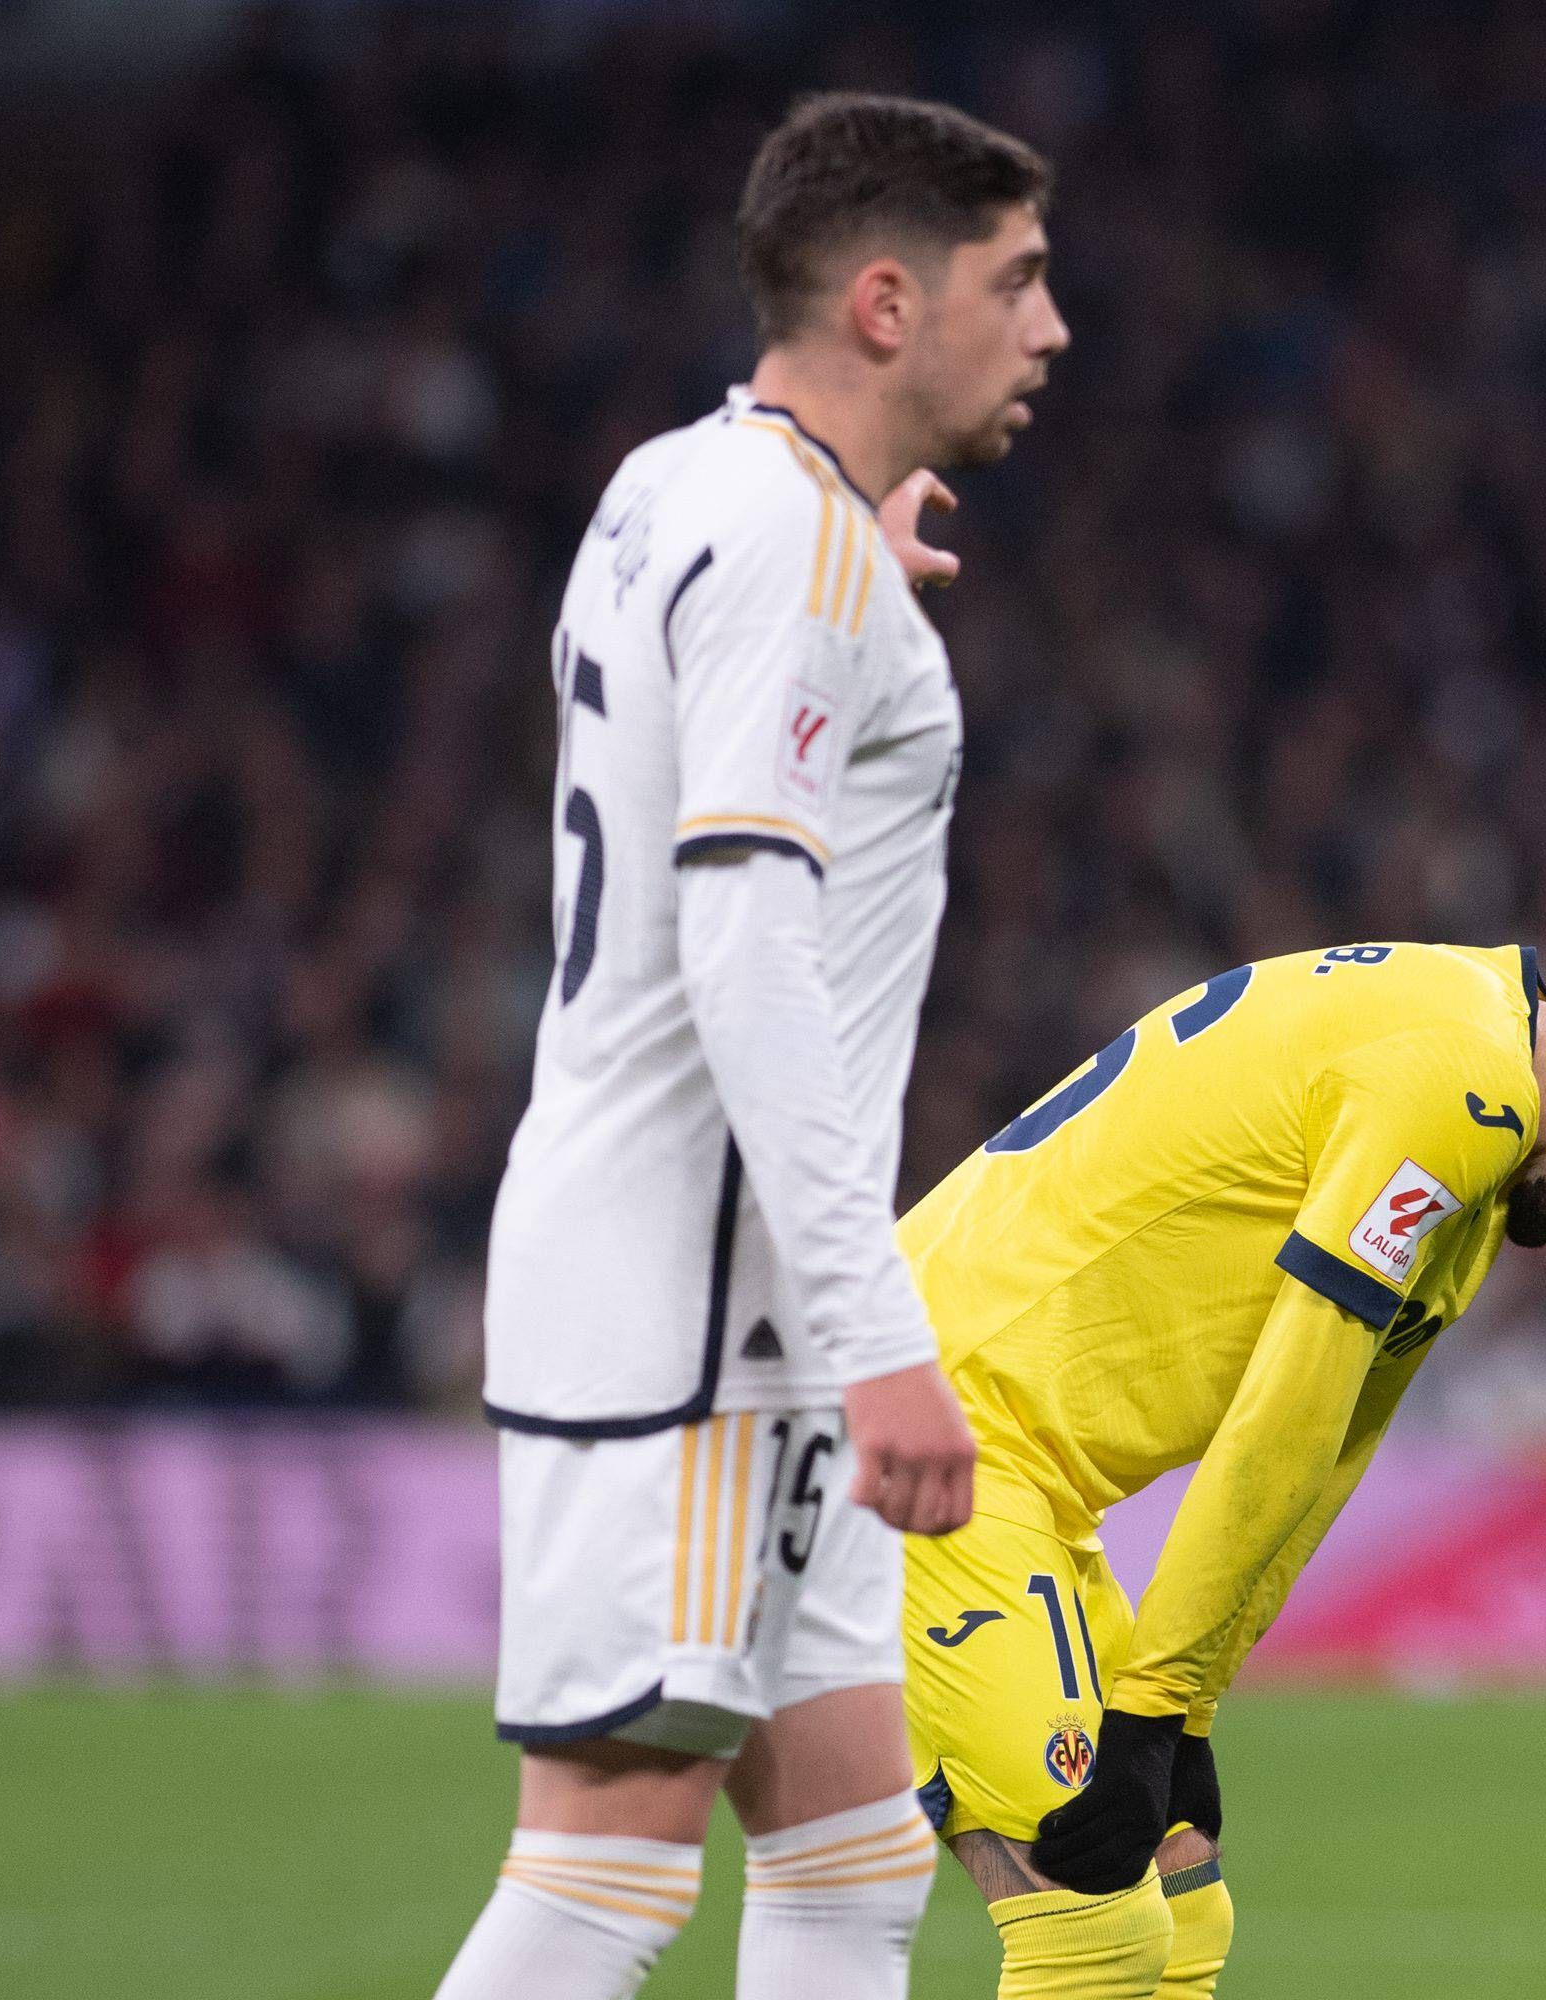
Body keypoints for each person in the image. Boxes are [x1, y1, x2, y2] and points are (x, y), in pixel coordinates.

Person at [435, 93, 1069, 2000]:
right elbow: (742, 949)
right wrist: (878, 1338)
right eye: (1019, 281)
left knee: (855, 1856)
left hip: (734, 1304)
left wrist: (850, 583)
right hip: (701, 1309)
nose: (1053, 329)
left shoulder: (685, 485)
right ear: (888, 303)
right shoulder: (791, 554)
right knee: (601, 1881)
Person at [896, 942, 1546, 1999]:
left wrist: (1189, 1707)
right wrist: (1153, 1698)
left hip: (1014, 1473)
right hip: (922, 1428)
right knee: (1097, 1933)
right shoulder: (1457, 1082)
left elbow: (1330, 1449)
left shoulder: (1484, 1127)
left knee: (1185, 1906)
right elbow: (1288, 1408)